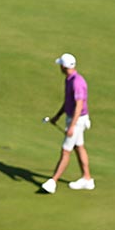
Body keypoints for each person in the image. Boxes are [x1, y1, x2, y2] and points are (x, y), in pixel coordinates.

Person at [42, 54, 92, 193]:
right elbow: (68, 102)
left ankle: (53, 181)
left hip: (78, 120)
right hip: (74, 118)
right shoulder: (69, 80)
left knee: (66, 151)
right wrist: (57, 116)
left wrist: (71, 127)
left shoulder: (77, 82)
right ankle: (87, 179)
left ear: (63, 67)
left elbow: (79, 105)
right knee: (79, 147)